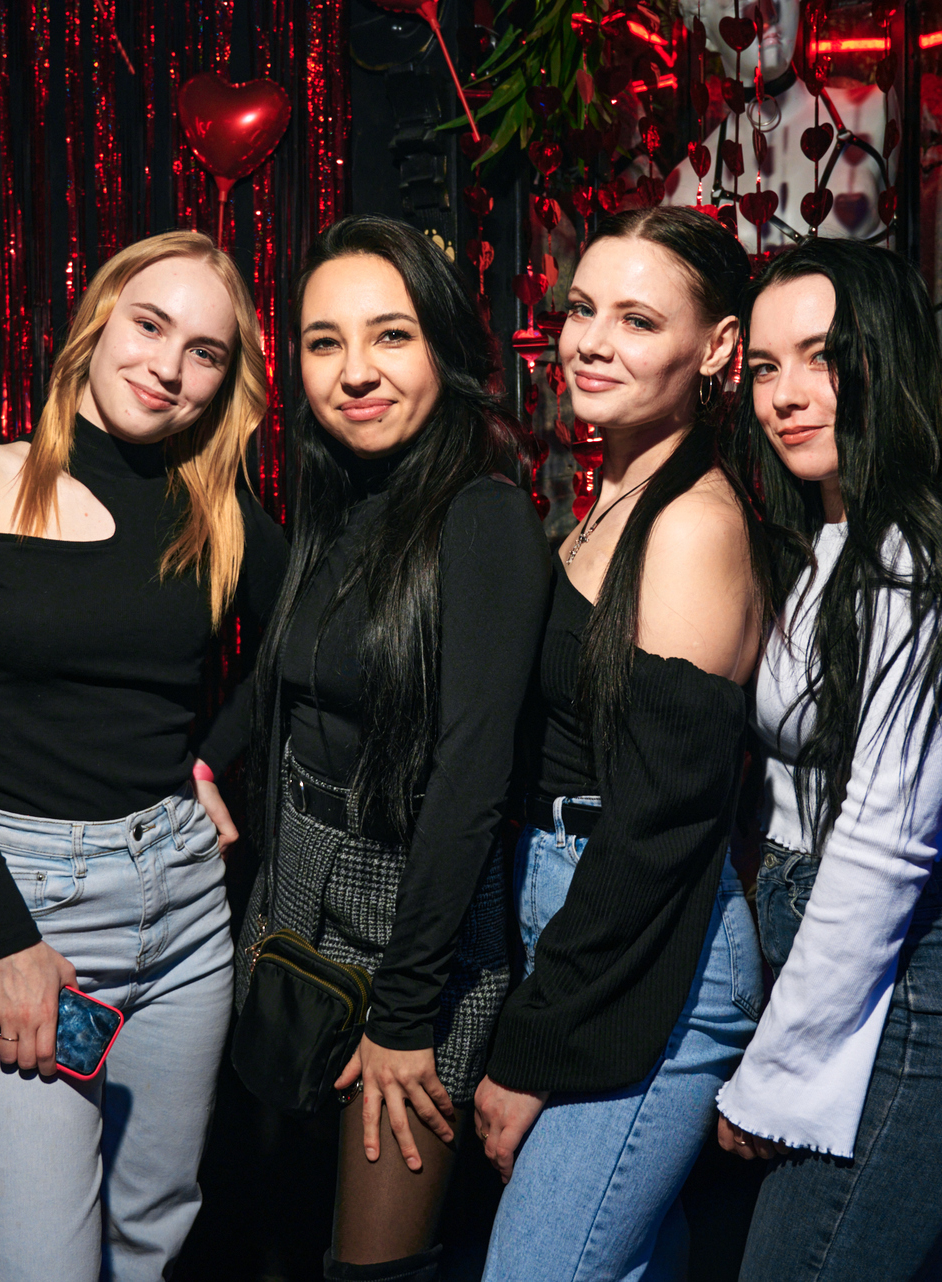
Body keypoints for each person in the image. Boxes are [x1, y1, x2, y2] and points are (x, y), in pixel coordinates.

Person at [0, 230, 288, 1282]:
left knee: (150, 1241)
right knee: (39, 1265)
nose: (169, 366)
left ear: (225, 381)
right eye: (150, 324)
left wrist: (211, 762)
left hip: (185, 908)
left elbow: (301, 644)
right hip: (33, 911)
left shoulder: (217, 512)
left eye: (205, 351)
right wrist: (8, 940)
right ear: (98, 320)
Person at [714, 237, 942, 1281]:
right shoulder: (815, 539)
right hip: (849, 969)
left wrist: (776, 1072)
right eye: (764, 367)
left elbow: (881, 840)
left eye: (823, 356)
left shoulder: (924, 547)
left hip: (928, 991)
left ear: (885, 360)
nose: (786, 394)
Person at [236, 214, 552, 1282]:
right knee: (283, 1237)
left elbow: (471, 783)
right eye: (324, 342)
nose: (355, 371)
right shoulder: (343, 496)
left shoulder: (483, 517)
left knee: (374, 1266)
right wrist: (208, 766)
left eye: (391, 335)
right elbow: (292, 666)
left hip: (417, 935)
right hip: (296, 897)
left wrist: (408, 1013)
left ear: (445, 347)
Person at [474, 205, 773, 1281]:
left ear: (719, 349)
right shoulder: (608, 498)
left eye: (638, 320)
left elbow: (657, 824)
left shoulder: (691, 526)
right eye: (582, 310)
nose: (592, 342)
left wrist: (530, 1050)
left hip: (653, 953)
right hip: (580, 911)